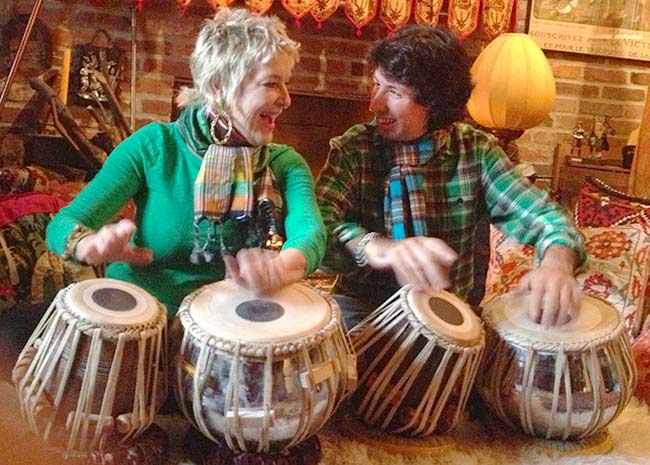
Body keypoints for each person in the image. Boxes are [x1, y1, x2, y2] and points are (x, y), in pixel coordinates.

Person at [47, 8, 326, 317]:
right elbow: (64, 223)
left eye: (286, 83)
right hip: (141, 318)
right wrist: (87, 246)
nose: (287, 99)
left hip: (229, 323)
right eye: (271, 83)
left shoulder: (285, 163)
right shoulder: (155, 146)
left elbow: (310, 232)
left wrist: (282, 266)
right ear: (219, 87)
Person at [316, 26, 585, 330]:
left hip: (447, 315)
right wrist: (375, 247)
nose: (374, 104)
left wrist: (557, 263)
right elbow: (318, 229)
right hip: (363, 308)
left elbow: (543, 217)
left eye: (393, 92)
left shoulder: (476, 151)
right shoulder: (356, 147)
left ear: (433, 102)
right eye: (376, 84)